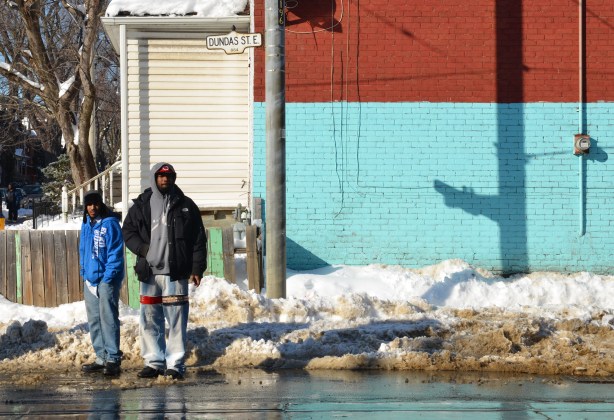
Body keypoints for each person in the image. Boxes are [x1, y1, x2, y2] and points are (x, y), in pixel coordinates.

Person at [122, 163, 207, 380]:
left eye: (168, 177)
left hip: (176, 272)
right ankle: (154, 362)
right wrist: (143, 249)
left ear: (174, 179)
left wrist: (197, 268)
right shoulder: (141, 205)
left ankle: (175, 364)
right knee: (150, 318)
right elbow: (128, 231)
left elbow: (198, 239)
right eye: (160, 176)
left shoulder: (186, 205)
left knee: (176, 318)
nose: (164, 180)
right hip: (149, 273)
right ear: (154, 178)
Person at [79, 190, 125, 377]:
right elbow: (82, 249)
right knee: (94, 320)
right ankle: (101, 357)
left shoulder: (110, 224)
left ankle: (113, 358)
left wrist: (108, 277)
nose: (92, 207)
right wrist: (84, 272)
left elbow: (115, 252)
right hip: (90, 280)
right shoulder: (86, 225)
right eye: (89, 204)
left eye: (95, 203)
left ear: (101, 204)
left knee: (108, 319)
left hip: (107, 280)